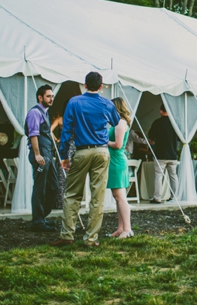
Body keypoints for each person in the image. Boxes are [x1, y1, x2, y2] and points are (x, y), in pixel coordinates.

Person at [50, 72, 120, 248]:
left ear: (84, 84)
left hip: (82, 151)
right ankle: (90, 238)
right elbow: (116, 121)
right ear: (102, 85)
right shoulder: (107, 103)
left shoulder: (74, 102)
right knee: (98, 196)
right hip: (102, 151)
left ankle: (67, 234)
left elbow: (66, 131)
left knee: (72, 193)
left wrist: (64, 155)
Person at [25, 85, 59, 232]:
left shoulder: (45, 113)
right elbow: (33, 134)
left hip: (48, 155)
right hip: (40, 155)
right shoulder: (35, 112)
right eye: (48, 96)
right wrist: (37, 154)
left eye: (52, 96)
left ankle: (40, 217)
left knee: (54, 186)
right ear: (40, 97)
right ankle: (38, 222)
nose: (51, 99)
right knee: (40, 187)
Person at [105, 97, 134, 239]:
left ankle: (127, 229)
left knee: (120, 196)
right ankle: (120, 228)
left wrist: (104, 141)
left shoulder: (121, 123)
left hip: (117, 161)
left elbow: (117, 144)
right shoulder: (117, 123)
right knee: (117, 197)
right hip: (114, 161)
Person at [148, 104, 179, 204]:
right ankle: (175, 196)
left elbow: (151, 137)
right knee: (173, 176)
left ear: (161, 111)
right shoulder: (175, 123)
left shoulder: (157, 123)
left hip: (160, 154)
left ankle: (157, 197)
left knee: (158, 176)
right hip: (173, 154)